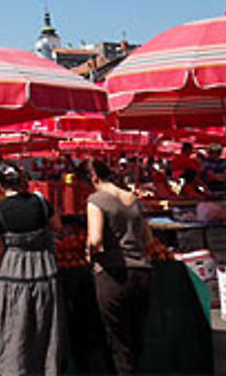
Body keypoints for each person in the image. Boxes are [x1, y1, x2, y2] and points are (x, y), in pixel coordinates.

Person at [0, 161, 67, 376]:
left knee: (16, 326)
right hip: (44, 270)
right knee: (44, 326)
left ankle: (16, 369)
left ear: (1, 184)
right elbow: (58, 226)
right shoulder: (40, 203)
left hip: (14, 274)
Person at [85, 159, 152, 376]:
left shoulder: (96, 200)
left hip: (114, 274)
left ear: (94, 177)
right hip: (142, 270)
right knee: (136, 335)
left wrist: (88, 251)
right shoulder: (133, 199)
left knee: (119, 339)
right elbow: (148, 238)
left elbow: (95, 239)